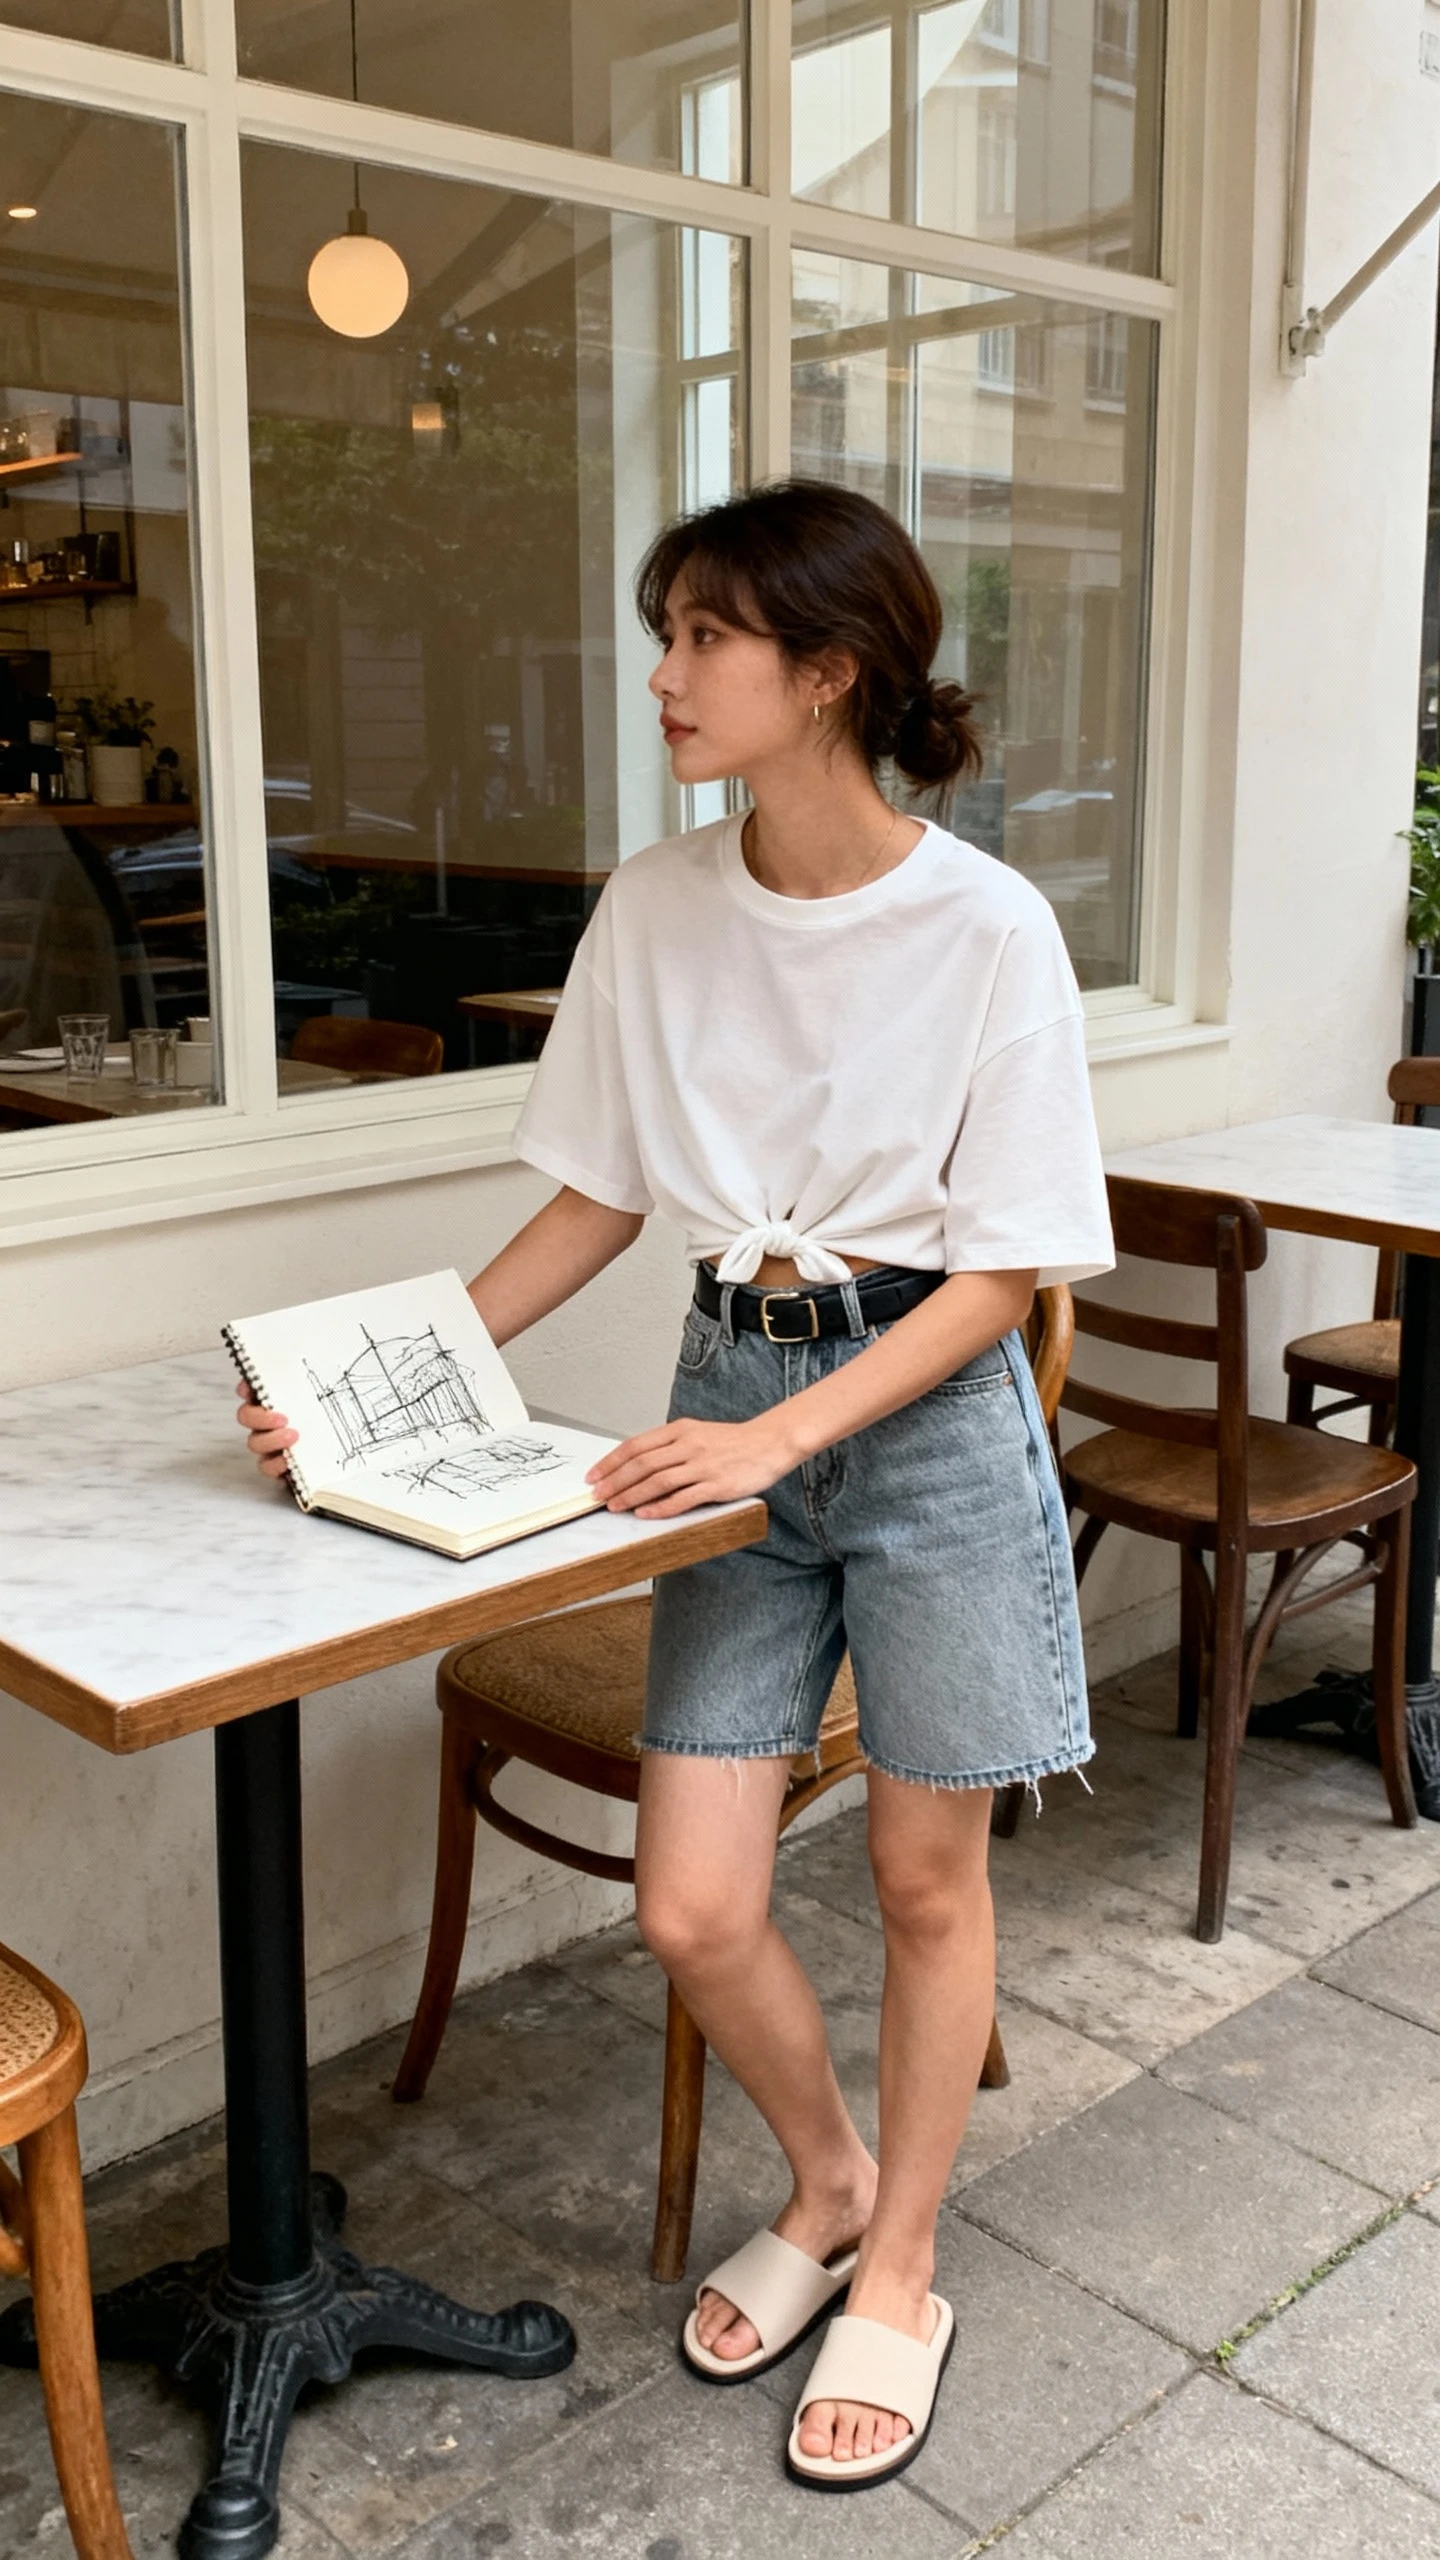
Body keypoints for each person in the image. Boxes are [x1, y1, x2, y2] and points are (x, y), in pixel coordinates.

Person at [237, 479, 1113, 2491]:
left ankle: (902, 2262)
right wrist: (372, 1392)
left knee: (920, 1874)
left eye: (707, 634)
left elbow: (1005, 1265)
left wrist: (788, 1436)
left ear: (834, 670)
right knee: (693, 1898)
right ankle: (826, 2176)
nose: (662, 673)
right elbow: (601, 1201)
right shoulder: (656, 904)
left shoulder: (990, 928)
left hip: (923, 1416)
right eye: (672, 628)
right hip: (727, 1397)